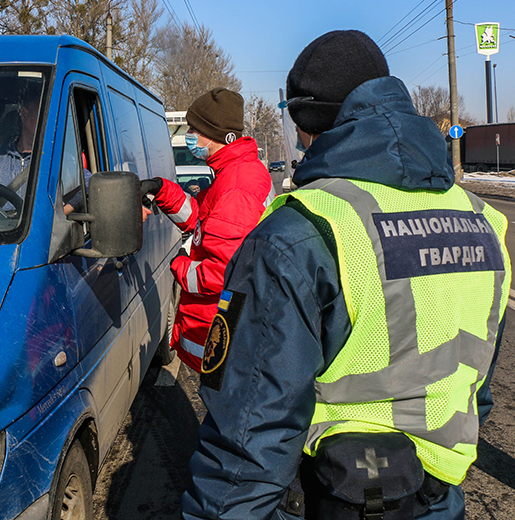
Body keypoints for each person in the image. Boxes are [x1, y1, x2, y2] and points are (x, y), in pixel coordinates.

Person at [182, 30, 511, 520]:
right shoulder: (485, 222)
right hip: (439, 498)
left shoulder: (300, 231)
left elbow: (251, 436)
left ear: (309, 123)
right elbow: (476, 388)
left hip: (325, 499)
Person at [140, 87, 274, 373]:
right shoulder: (232, 173)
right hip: (221, 330)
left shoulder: (237, 185)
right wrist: (161, 190)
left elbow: (221, 271)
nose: (190, 136)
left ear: (213, 134)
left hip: (225, 339)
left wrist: (178, 266)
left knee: (224, 413)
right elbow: (200, 217)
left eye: (194, 130)